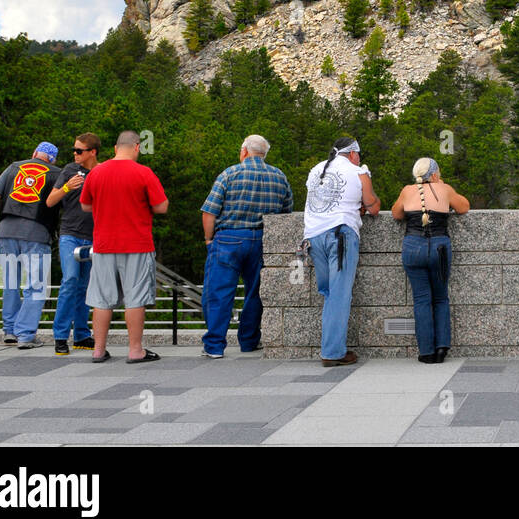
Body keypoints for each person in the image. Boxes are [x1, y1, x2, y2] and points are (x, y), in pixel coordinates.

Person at [200, 135, 294, 359]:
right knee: (255, 293)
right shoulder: (279, 177)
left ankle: (214, 345)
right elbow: (286, 212)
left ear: (244, 152)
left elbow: (209, 211)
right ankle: (249, 341)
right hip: (262, 241)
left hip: (228, 239)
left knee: (219, 293)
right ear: (264, 154)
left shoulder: (229, 174)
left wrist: (208, 239)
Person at [79, 131, 168, 363]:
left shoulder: (96, 172)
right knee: (135, 298)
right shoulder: (143, 172)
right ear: (137, 147)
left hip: (103, 244)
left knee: (101, 298)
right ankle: (135, 350)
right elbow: (161, 207)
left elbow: (85, 206)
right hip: (137, 244)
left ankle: (98, 349)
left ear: (116, 148)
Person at [304, 137, 380, 366]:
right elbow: (374, 207)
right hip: (340, 235)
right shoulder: (359, 172)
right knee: (339, 294)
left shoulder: (316, 170)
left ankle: (331, 345)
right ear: (354, 153)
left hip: (313, 235)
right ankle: (333, 352)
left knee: (329, 292)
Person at [391, 158, 470, 364]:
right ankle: (442, 346)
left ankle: (426, 352)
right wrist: (442, 187)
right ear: (434, 174)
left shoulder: (407, 190)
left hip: (413, 247)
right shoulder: (444, 189)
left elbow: (396, 214)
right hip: (439, 248)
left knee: (421, 299)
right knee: (441, 298)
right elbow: (464, 207)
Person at [0, 142, 62, 348]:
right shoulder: (57, 173)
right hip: (37, 233)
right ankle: (26, 335)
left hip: (7, 230)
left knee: (10, 283)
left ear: (35, 153)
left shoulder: (14, 167)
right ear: (52, 159)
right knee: (35, 285)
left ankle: (10, 331)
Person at [45, 134, 100, 355]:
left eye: (79, 151)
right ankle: (60, 336)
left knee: (85, 286)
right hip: (70, 235)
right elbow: (50, 201)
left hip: (94, 236)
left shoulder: (101, 172)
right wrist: (67, 187)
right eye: (74, 150)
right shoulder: (69, 170)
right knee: (70, 279)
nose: (75, 154)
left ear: (92, 152)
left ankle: (81, 334)